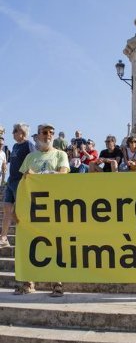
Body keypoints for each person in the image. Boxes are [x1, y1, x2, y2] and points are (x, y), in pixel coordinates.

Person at [15, 123, 69, 296]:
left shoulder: (61, 154)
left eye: (51, 132)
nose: (48, 135)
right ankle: (28, 282)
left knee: (55, 245)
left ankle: (57, 283)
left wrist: (47, 175)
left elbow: (63, 173)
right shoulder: (30, 157)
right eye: (45, 132)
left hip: (55, 207)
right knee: (30, 243)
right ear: (38, 136)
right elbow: (22, 182)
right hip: (32, 208)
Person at [0, 124, 35, 249]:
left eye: (15, 131)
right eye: (13, 130)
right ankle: (3, 238)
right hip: (11, 181)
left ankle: (29, 233)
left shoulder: (28, 145)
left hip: (21, 181)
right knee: (7, 209)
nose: (13, 133)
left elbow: (33, 160)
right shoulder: (15, 146)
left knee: (21, 211)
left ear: (23, 132)